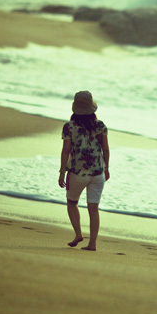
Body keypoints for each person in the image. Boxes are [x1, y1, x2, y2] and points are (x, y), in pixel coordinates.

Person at [58, 90, 110, 251]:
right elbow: (106, 149)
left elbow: (66, 151)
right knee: (93, 209)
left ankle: (78, 234)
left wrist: (61, 172)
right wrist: (107, 168)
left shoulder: (69, 126)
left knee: (72, 202)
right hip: (97, 173)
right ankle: (92, 244)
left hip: (78, 173)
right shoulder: (100, 125)